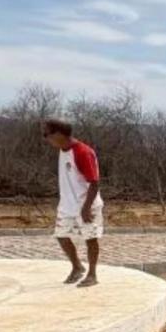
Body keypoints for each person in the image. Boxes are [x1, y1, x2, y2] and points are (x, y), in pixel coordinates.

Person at [42, 118, 103, 287]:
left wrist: (86, 207)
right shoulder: (63, 151)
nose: (46, 138)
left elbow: (94, 182)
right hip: (67, 205)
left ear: (59, 134)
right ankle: (77, 266)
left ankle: (92, 274)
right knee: (61, 235)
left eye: (47, 134)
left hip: (86, 204)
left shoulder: (83, 152)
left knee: (90, 238)